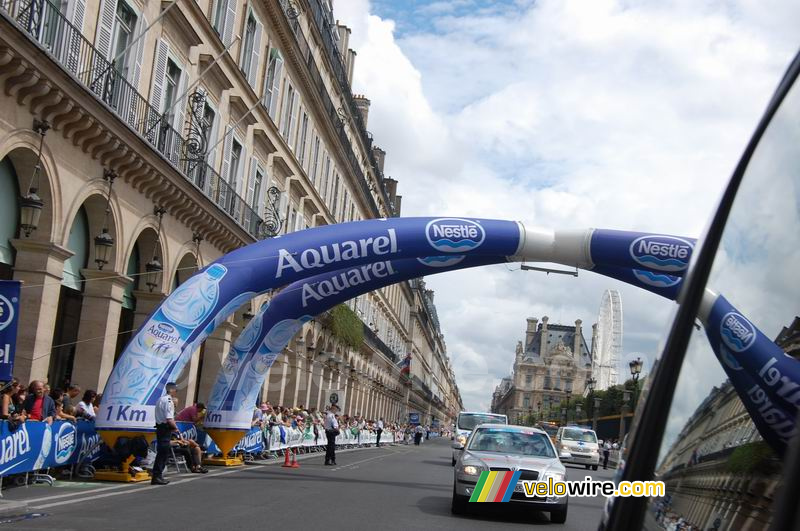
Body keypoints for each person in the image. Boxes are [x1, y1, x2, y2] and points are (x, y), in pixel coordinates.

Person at [152, 382, 179, 485]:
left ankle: (157, 475)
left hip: (160, 427)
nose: (176, 392)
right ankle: (157, 476)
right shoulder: (168, 401)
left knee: (162, 452)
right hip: (165, 428)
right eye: (176, 390)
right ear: (171, 390)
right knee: (163, 453)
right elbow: (169, 418)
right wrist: (176, 428)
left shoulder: (160, 399)